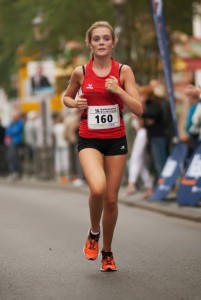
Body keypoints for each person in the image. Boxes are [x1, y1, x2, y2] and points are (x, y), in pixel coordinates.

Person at [63, 21, 143, 272]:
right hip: (89, 137)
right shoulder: (81, 72)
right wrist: (75, 104)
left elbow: (138, 109)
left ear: (113, 42)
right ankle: (93, 232)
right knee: (97, 189)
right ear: (90, 43)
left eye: (106, 38)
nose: (101, 42)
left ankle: (107, 252)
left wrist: (118, 90)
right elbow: (66, 96)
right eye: (96, 38)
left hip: (116, 139)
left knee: (111, 199)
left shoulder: (123, 71)